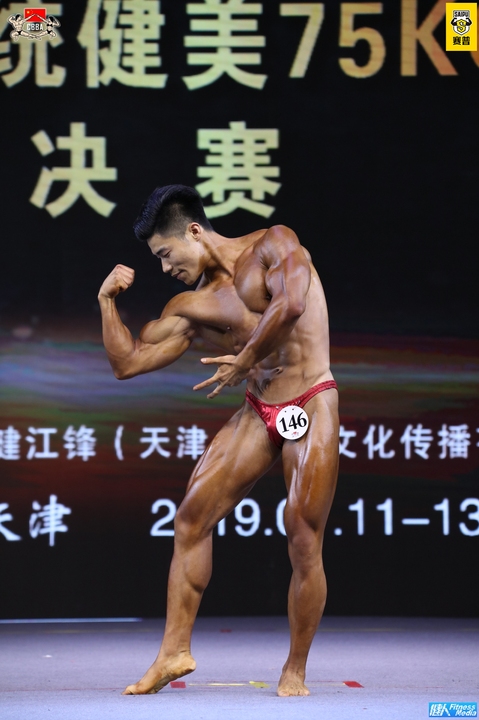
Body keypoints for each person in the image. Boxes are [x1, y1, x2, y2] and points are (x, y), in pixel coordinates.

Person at [98, 185, 339, 697]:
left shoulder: (274, 243)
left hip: (311, 398)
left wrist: (245, 360)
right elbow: (128, 363)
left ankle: (295, 669)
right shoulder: (193, 305)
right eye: (157, 260)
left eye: (166, 254)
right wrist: (106, 302)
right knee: (191, 517)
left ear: (194, 231)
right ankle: (173, 652)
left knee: (303, 536)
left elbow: (291, 305)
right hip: (259, 406)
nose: (165, 268)